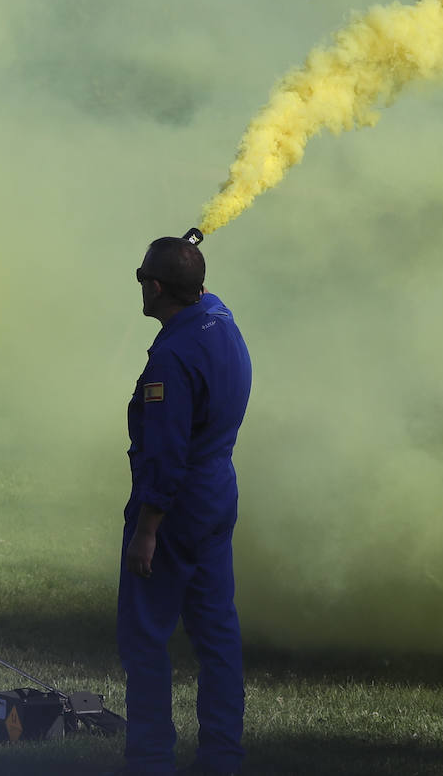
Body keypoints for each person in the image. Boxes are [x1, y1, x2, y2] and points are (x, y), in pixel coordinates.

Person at [117, 235, 252, 776]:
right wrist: (183, 260)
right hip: (217, 494)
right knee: (217, 634)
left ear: (155, 288)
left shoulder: (170, 359)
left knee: (146, 637)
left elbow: (166, 454)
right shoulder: (219, 319)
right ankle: (223, 759)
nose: (140, 289)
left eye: (144, 279)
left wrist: (148, 528)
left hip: (174, 506)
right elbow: (197, 289)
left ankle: (150, 760)